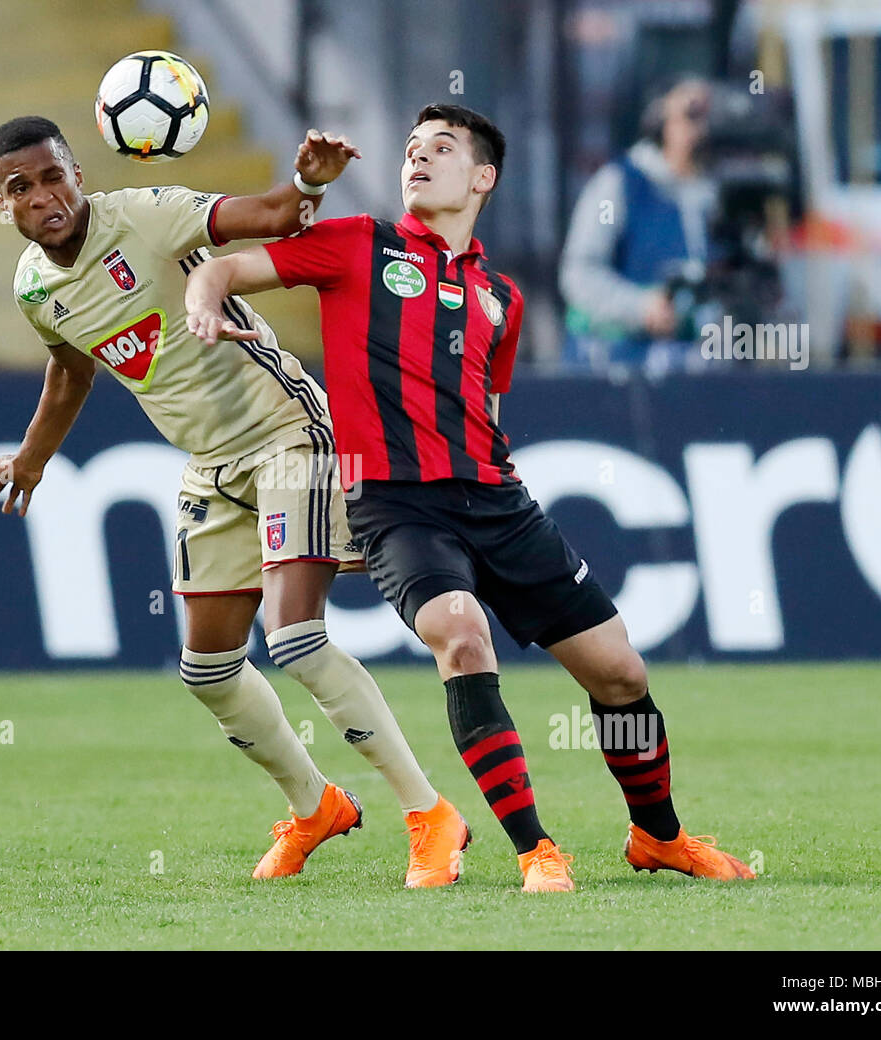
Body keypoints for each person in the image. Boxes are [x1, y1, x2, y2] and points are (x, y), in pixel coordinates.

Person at [185, 102, 754, 892]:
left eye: (441, 149)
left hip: (498, 504)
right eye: (412, 148)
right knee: (460, 632)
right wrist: (204, 299)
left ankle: (659, 836)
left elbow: (486, 405)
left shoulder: (501, 299)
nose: (417, 158)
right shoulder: (358, 245)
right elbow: (225, 267)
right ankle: (534, 850)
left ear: (482, 176)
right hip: (395, 505)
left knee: (620, 675)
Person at [0, 116, 469, 887]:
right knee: (206, 670)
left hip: (285, 431)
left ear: (78, 173)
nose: (45, 197)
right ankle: (316, 807)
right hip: (210, 465)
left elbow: (269, 218)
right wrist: (32, 462)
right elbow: (71, 370)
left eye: (54, 175)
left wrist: (306, 181)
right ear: (3, 207)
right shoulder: (35, 286)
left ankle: (430, 814)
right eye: (21, 189)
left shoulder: (146, 215)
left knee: (295, 636)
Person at [559, 78, 720, 370]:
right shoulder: (618, 184)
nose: (702, 131)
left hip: (692, 372)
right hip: (619, 366)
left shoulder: (714, 196)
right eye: (691, 116)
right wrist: (640, 306)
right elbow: (579, 273)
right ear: (661, 122)